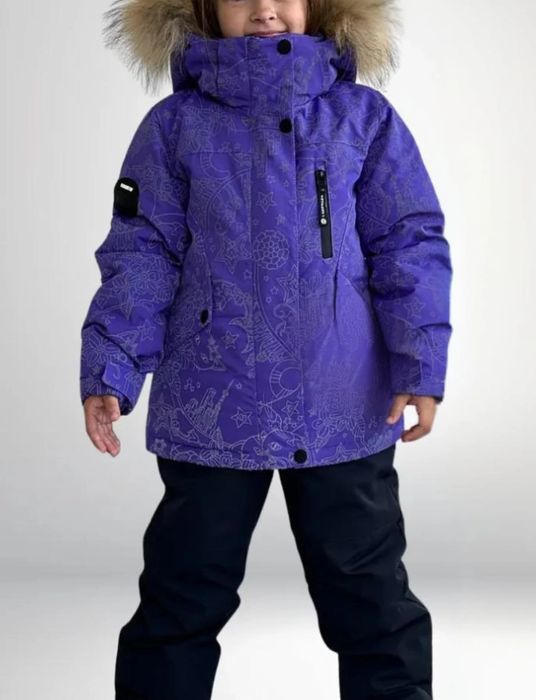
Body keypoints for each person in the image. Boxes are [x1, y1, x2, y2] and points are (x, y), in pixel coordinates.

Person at [80, 1, 453, 698]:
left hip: (343, 401)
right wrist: (112, 365)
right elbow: (142, 251)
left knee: (371, 599)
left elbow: (409, 242)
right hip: (213, 406)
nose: (263, 9)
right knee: (181, 597)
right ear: (202, 7)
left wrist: (420, 362)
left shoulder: (361, 119)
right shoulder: (175, 127)